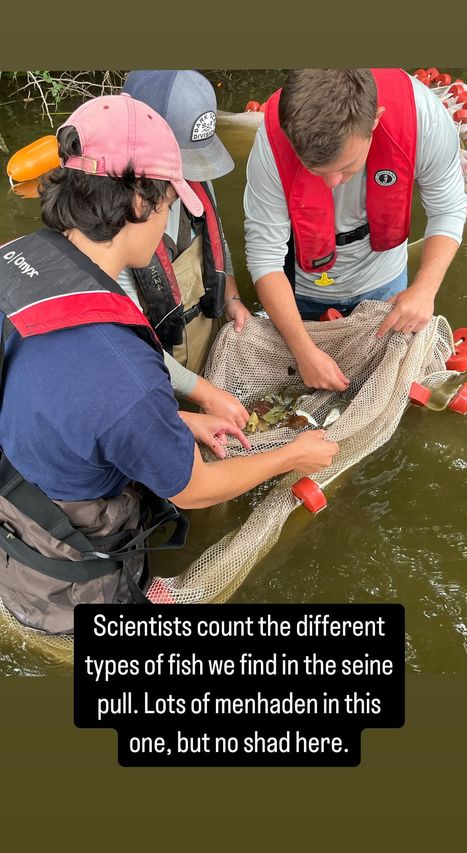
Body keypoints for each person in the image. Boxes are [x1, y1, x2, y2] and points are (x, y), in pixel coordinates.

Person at [0, 93, 339, 634]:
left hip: (17, 503)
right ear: (138, 202)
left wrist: (177, 419)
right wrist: (293, 454)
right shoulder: (124, 368)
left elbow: (60, 400)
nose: (167, 217)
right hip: (71, 575)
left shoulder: (15, 262)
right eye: (167, 202)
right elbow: (193, 487)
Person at [244, 68, 467, 392]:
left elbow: (448, 209)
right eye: (316, 171)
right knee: (303, 382)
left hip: (384, 277)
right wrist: (304, 350)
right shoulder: (272, 141)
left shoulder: (423, 117)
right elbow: (265, 257)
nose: (333, 183)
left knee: (383, 385)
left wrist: (424, 290)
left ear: (375, 120)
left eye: (346, 167)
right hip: (306, 283)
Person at [121, 69, 251, 383]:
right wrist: (203, 393)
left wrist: (232, 300)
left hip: (205, 341)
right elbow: (127, 344)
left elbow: (217, 243)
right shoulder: (111, 222)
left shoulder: (198, 176)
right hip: (153, 371)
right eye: (180, 163)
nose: (188, 175)